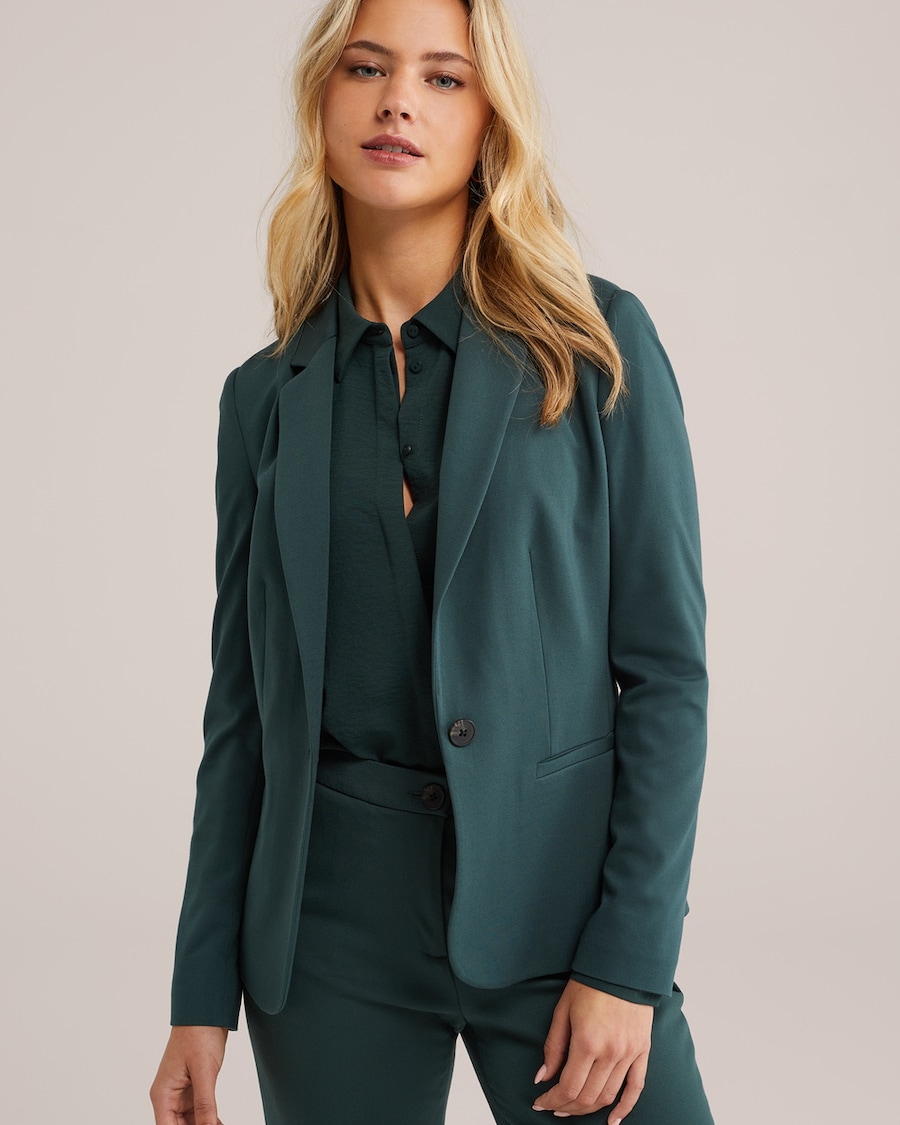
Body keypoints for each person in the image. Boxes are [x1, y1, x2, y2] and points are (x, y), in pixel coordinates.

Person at [149, 0, 715, 1121]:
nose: (398, 101)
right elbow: (243, 717)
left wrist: (628, 961)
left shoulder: (594, 349)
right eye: (366, 68)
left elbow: (665, 675)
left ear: (491, 122)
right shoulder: (263, 400)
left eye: (443, 78)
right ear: (322, 101)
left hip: (560, 914)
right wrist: (199, 995)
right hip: (327, 937)